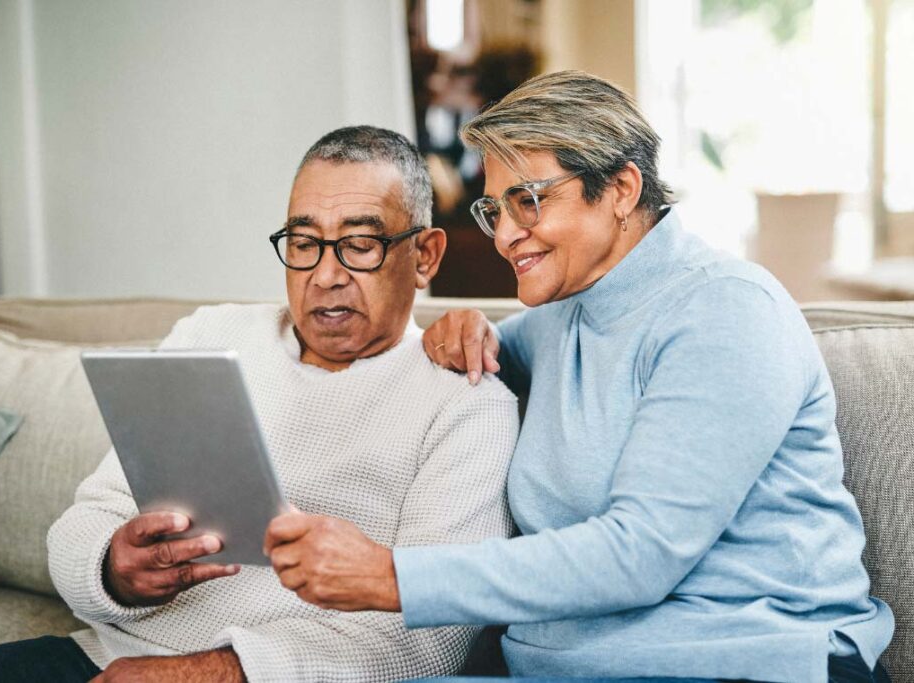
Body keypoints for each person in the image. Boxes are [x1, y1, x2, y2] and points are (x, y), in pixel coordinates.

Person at [264, 72, 895, 683]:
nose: (506, 236)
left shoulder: (726, 309)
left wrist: (391, 576)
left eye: (530, 201)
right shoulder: (561, 316)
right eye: (495, 209)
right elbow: (461, 361)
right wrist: (462, 329)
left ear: (621, 189)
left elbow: (639, 556)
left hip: (742, 662)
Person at [0, 126, 518, 683]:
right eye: (303, 244)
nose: (325, 275)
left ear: (425, 256)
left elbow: (437, 638)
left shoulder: (464, 400)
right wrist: (114, 568)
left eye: (359, 245)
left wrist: (211, 674)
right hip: (105, 658)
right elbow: (84, 521)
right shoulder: (211, 337)